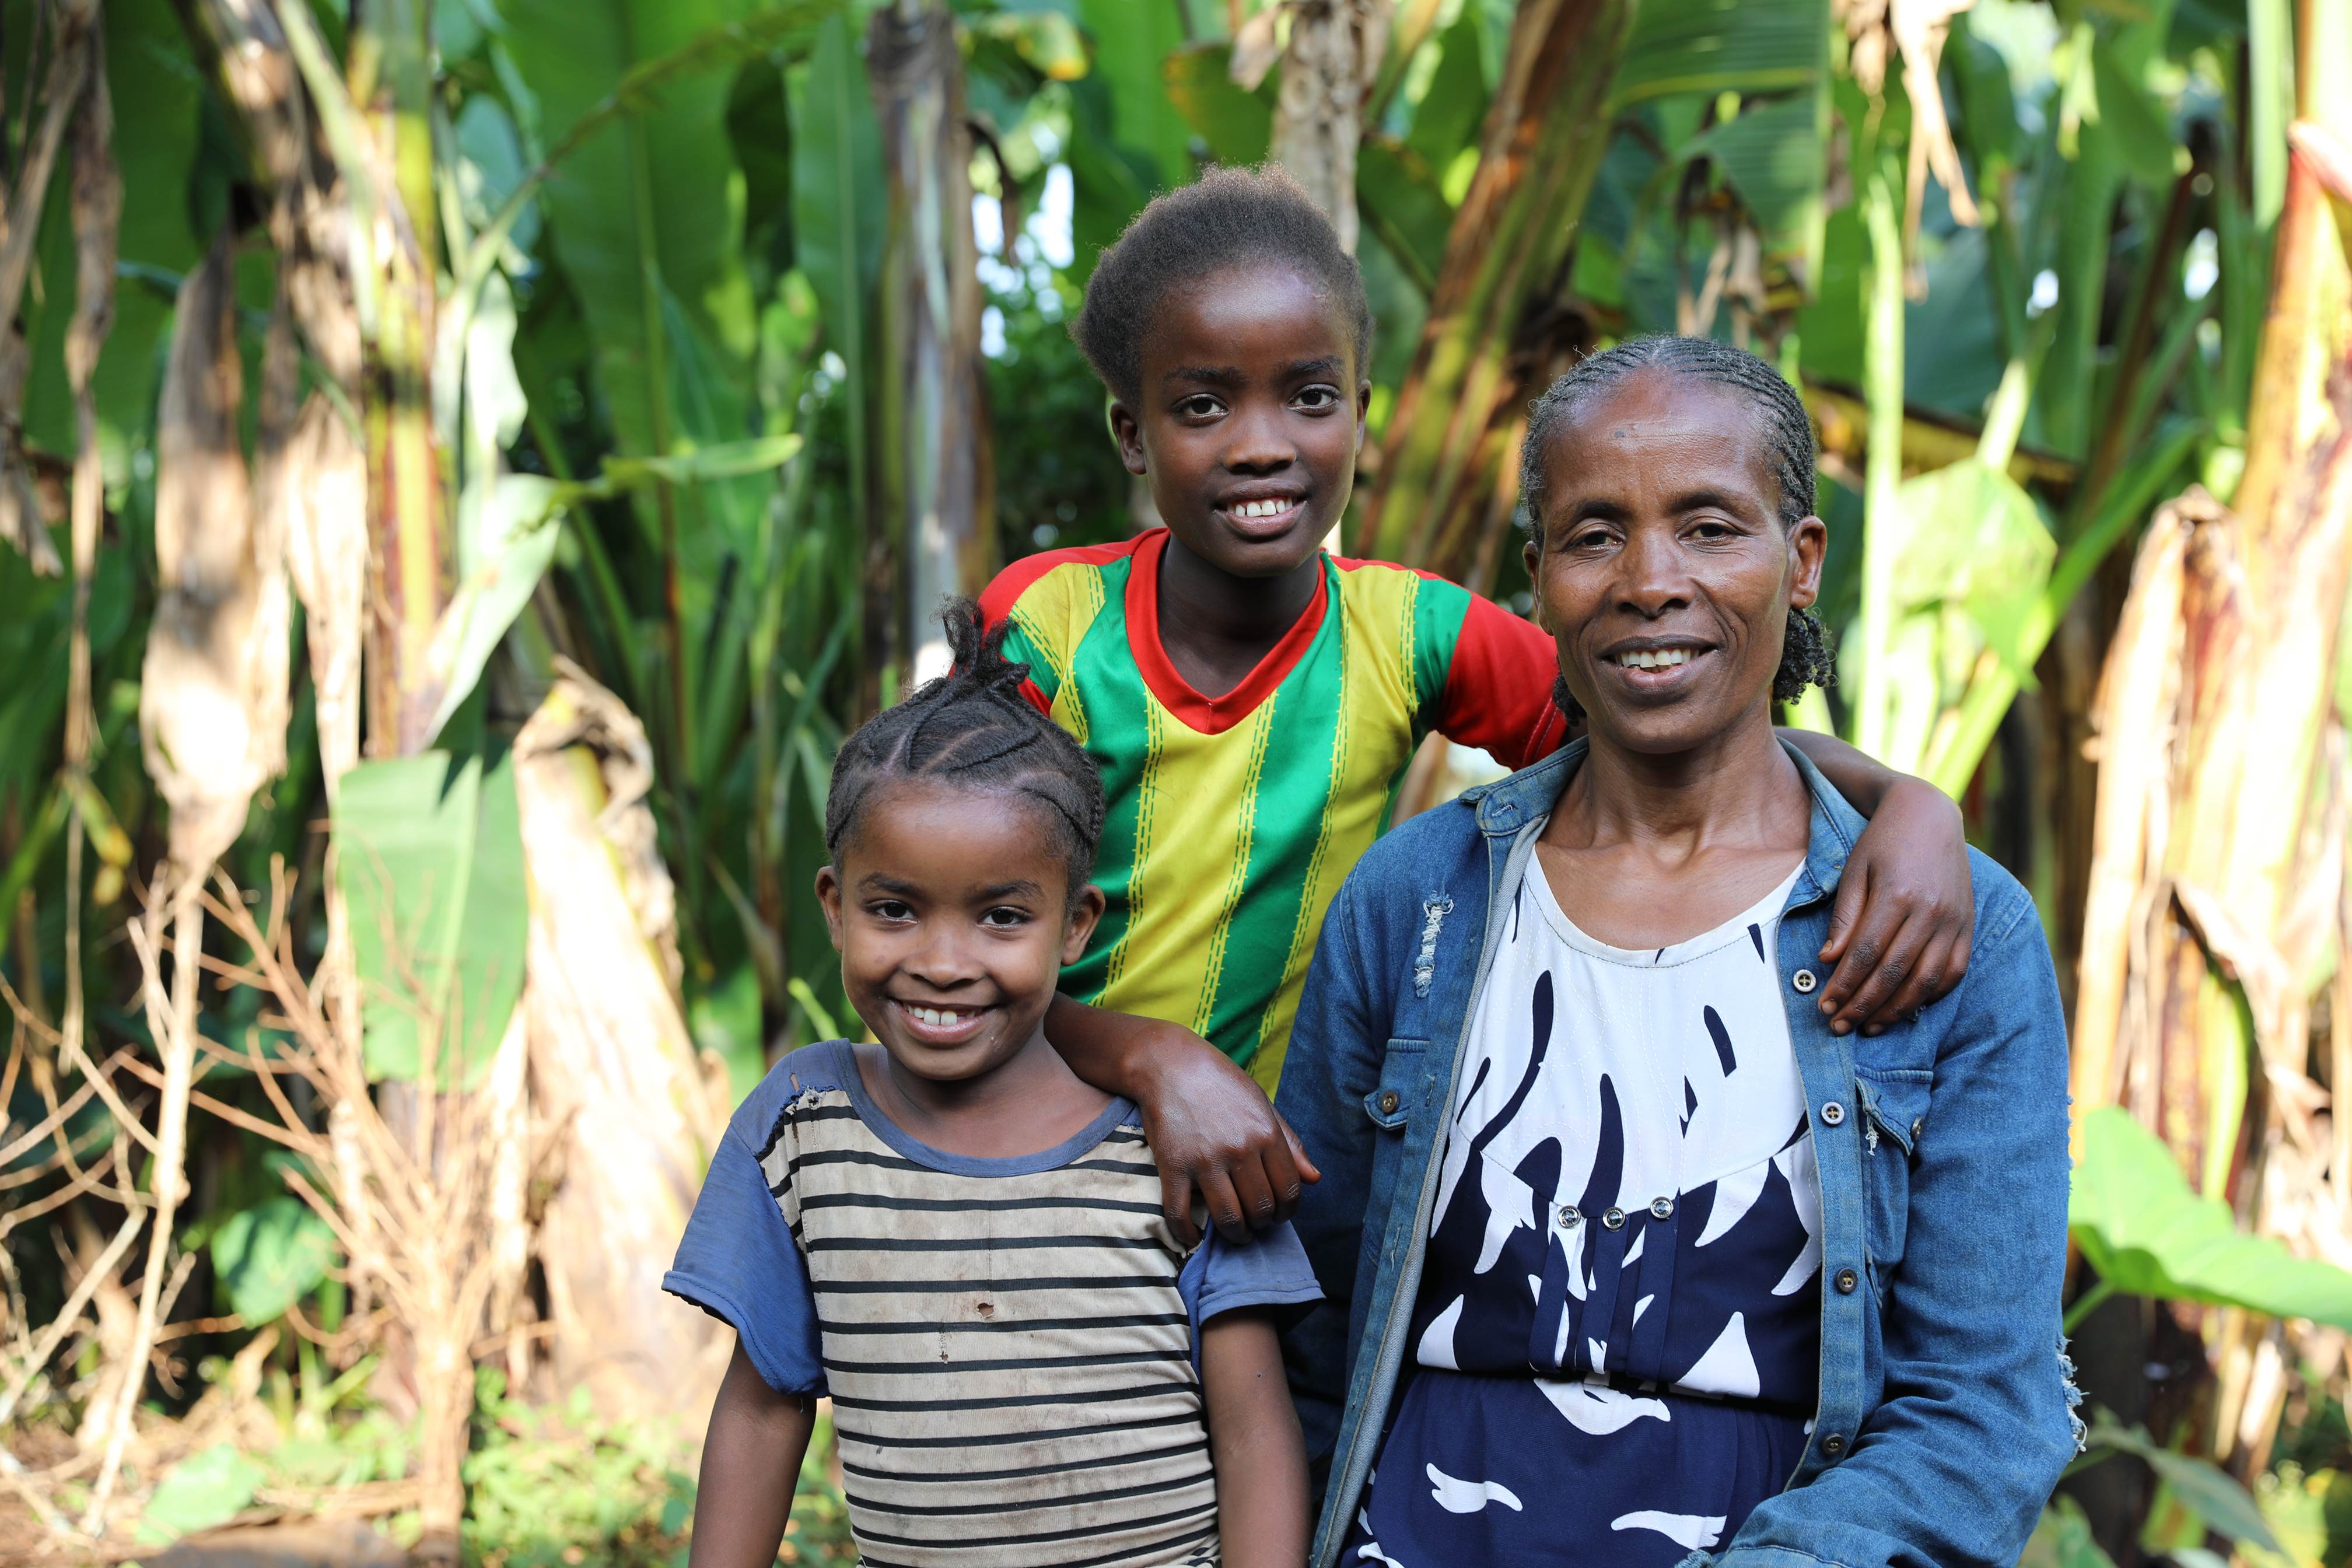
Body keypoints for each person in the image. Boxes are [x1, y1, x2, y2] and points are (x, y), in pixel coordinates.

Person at [986, 166, 1981, 1248]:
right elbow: (953, 919)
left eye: (1309, 399)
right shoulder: (1046, 621)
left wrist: (1914, 804)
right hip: (1011, 1159)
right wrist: (1150, 1054)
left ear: (1361, 416)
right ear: (1133, 435)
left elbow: (1664, 721)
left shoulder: (1410, 633)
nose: (1262, 442)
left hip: (1247, 1213)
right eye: (1203, 405)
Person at [1276, 337, 2077, 1568]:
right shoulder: (1417, 905)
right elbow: (1308, 1337)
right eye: (1595, 535)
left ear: (1801, 562)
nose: (1651, 580)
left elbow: (1981, 1411)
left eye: (1711, 527)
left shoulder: (1953, 933)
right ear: (1538, 576)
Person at [666, 603, 1323, 1568]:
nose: (942, 961)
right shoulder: (802, 1127)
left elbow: (1257, 1438)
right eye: (894, 909)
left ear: (1074, 926)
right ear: (835, 906)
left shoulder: (1174, 1143)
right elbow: (766, 1407)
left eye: (1000, 918)